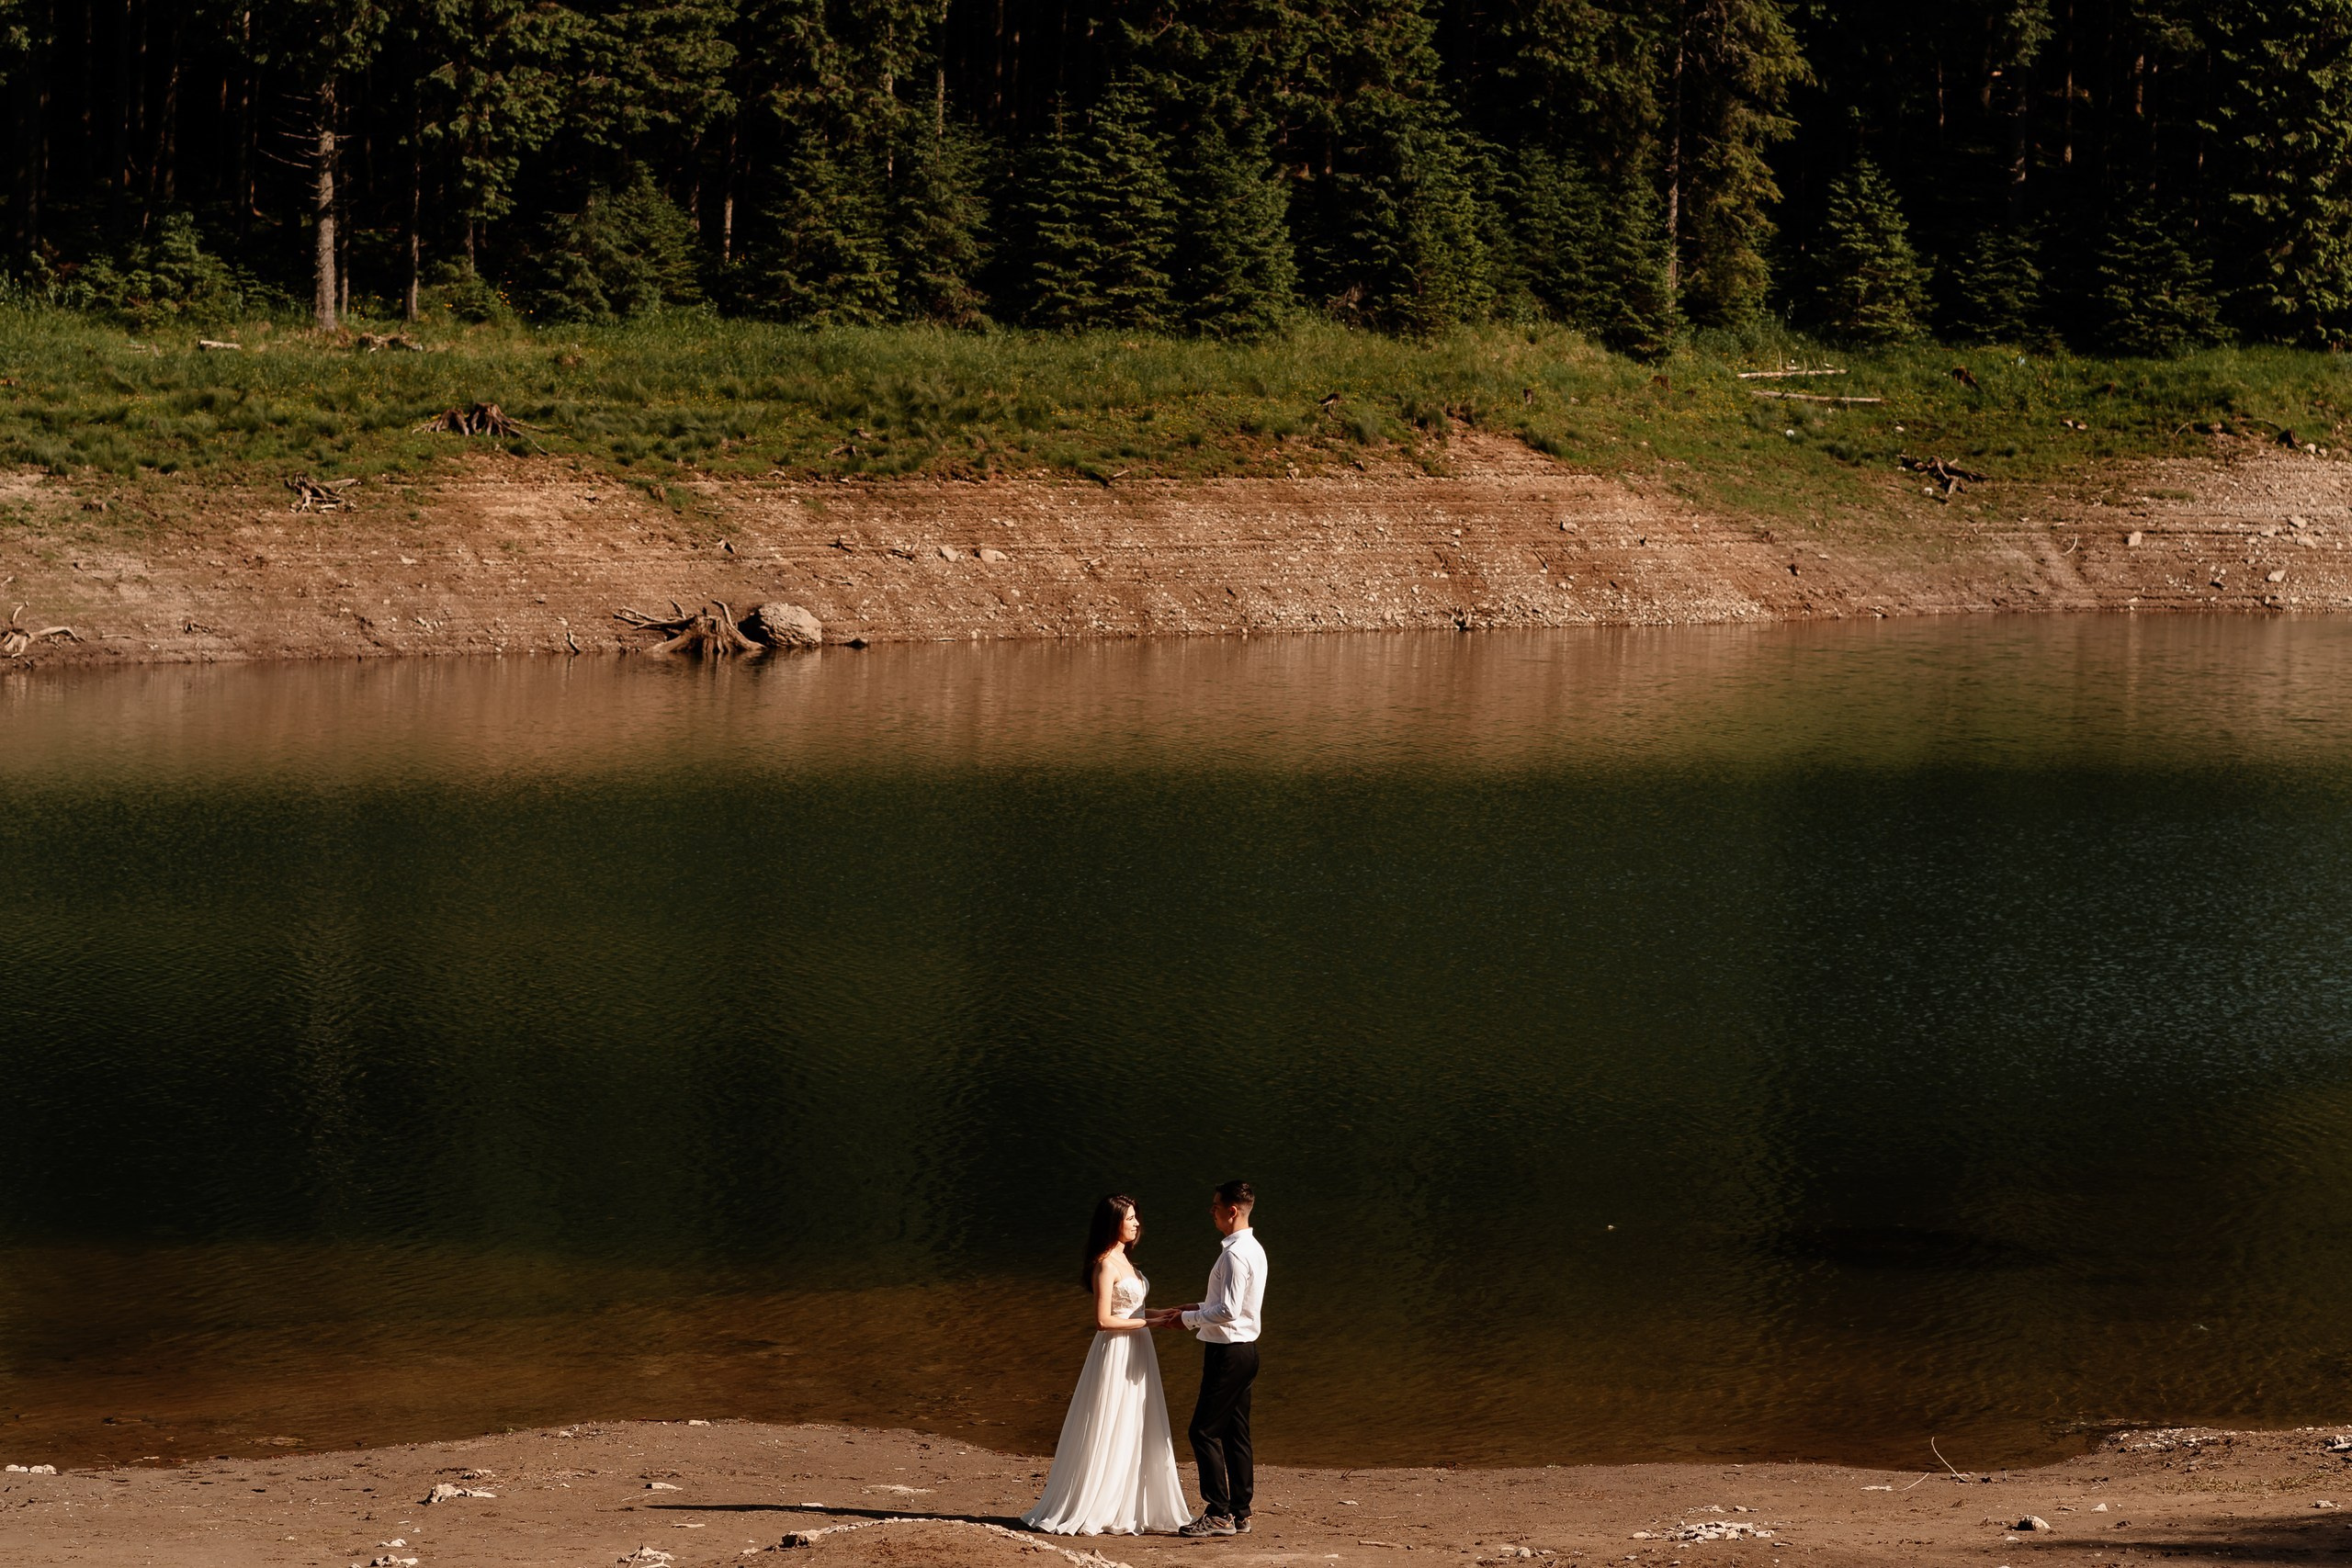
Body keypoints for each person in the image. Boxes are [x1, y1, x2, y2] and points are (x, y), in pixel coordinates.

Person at [1023, 1194, 1194, 1536]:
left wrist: (1170, 1314)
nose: (1136, 1224)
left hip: (1139, 1349)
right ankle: (1100, 1502)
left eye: (1136, 1218)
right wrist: (1153, 1324)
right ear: (1113, 1222)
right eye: (1130, 1218)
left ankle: (1129, 1502)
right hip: (1116, 1351)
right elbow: (1104, 1321)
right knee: (1111, 1418)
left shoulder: (1126, 1261)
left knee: (1136, 1420)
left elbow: (1134, 1310)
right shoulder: (1105, 1264)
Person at [1170, 1179, 1267, 1540]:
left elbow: (1227, 1310)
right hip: (1245, 1351)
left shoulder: (1235, 1253)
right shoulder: (1253, 1248)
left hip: (1228, 1352)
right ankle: (1241, 1512)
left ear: (1231, 1211)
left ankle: (1218, 1512)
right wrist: (1194, 1307)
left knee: (1203, 1430)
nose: (1210, 1211)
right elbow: (1231, 1305)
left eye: (1214, 1206)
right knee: (1235, 1432)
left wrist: (1187, 1320)